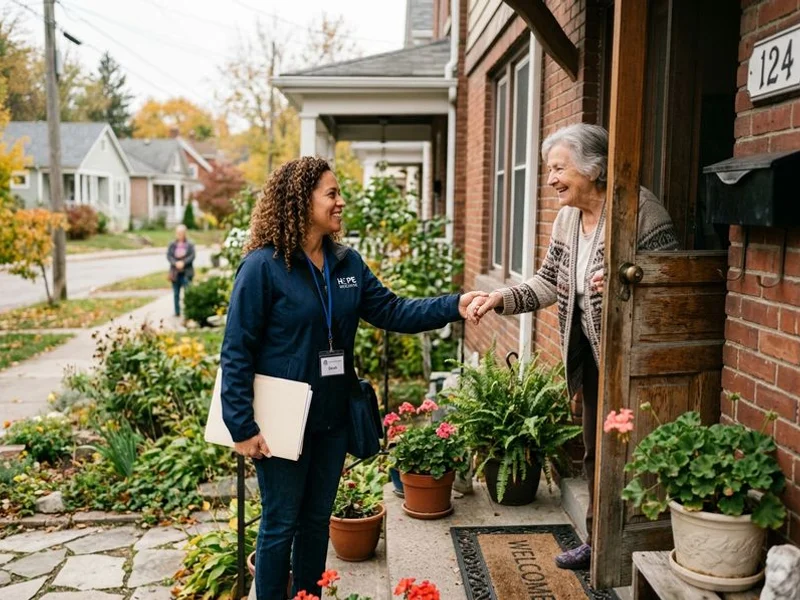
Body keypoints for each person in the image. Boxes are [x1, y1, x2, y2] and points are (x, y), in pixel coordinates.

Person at [220, 156, 486, 600]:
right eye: (332, 193)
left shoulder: (346, 263)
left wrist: (453, 305)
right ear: (300, 201)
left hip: (331, 418)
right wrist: (241, 426)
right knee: (280, 524)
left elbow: (393, 310)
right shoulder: (263, 267)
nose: (341, 202)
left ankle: (308, 596)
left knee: (314, 522)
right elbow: (236, 350)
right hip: (281, 422)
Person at [467, 123, 678, 571]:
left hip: (632, 361)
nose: (550, 180)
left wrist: (631, 278)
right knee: (596, 452)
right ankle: (599, 543)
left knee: (633, 451)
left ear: (594, 168)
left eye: (559, 168)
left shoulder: (640, 211)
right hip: (590, 358)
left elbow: (672, 282)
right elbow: (548, 281)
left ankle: (641, 546)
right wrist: (500, 298)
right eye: (550, 170)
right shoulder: (567, 219)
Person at [167, 224, 195, 317]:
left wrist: (183, 262)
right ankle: (177, 312)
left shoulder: (190, 244)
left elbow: (192, 256)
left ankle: (188, 312)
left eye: (181, 233)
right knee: (176, 294)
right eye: (178, 233)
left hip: (186, 272)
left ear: (185, 233)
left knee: (188, 293)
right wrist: (175, 263)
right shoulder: (172, 244)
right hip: (175, 273)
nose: (179, 234)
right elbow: (169, 256)